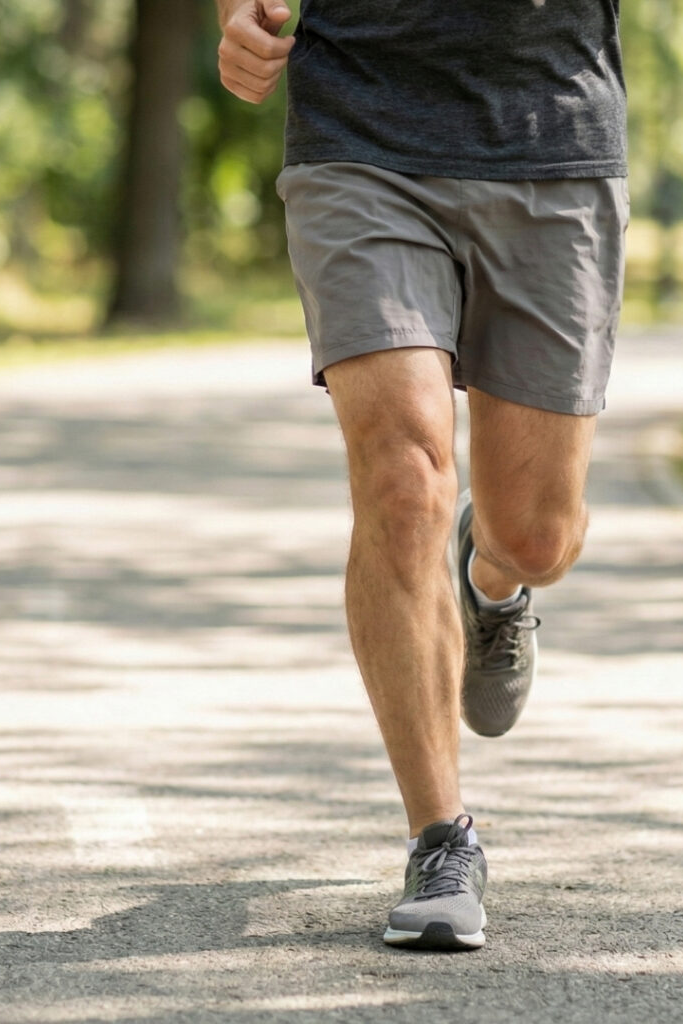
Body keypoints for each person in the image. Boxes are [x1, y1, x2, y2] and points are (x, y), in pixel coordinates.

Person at [216, 0, 627, 951]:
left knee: (539, 534)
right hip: (360, 135)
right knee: (404, 478)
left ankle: (493, 576)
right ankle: (442, 837)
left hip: (551, 139)